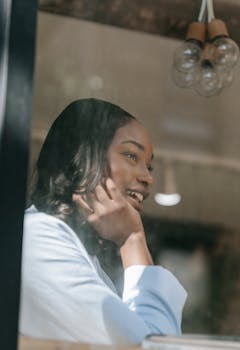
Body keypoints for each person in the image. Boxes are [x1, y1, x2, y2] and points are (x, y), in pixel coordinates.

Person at [19, 98, 187, 345]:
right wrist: (132, 240)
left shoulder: (84, 258)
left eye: (149, 166)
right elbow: (155, 346)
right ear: (84, 157)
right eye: (131, 155)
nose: (148, 178)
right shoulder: (39, 238)